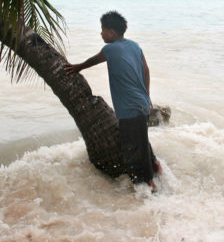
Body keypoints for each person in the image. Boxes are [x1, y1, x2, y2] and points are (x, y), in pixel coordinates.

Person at [65, 11, 162, 191]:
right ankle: (155, 166)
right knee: (140, 138)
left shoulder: (110, 49)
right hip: (141, 101)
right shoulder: (134, 46)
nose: (101, 33)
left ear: (111, 32)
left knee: (132, 146)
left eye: (102, 30)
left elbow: (93, 60)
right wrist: (147, 95)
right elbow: (146, 70)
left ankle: (147, 182)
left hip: (128, 107)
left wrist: (77, 67)